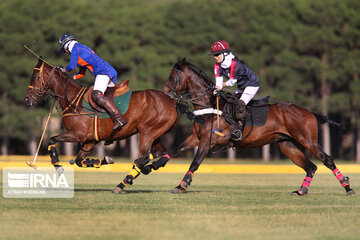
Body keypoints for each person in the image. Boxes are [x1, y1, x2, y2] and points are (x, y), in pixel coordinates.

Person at [58, 33, 127, 130]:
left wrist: (62, 70)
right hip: (108, 71)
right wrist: (69, 78)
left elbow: (71, 66)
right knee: (105, 99)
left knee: (96, 95)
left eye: (65, 51)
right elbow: (81, 73)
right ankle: (109, 127)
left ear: (66, 47)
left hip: (103, 72)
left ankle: (119, 118)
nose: (66, 52)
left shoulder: (75, 49)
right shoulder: (80, 49)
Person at [209, 40, 260, 140]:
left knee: (240, 104)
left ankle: (239, 132)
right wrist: (216, 88)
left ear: (225, 53)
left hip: (252, 84)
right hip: (241, 87)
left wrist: (221, 86)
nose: (215, 57)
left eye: (217, 54)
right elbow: (218, 81)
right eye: (214, 55)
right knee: (231, 103)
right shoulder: (217, 66)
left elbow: (232, 82)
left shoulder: (234, 63)